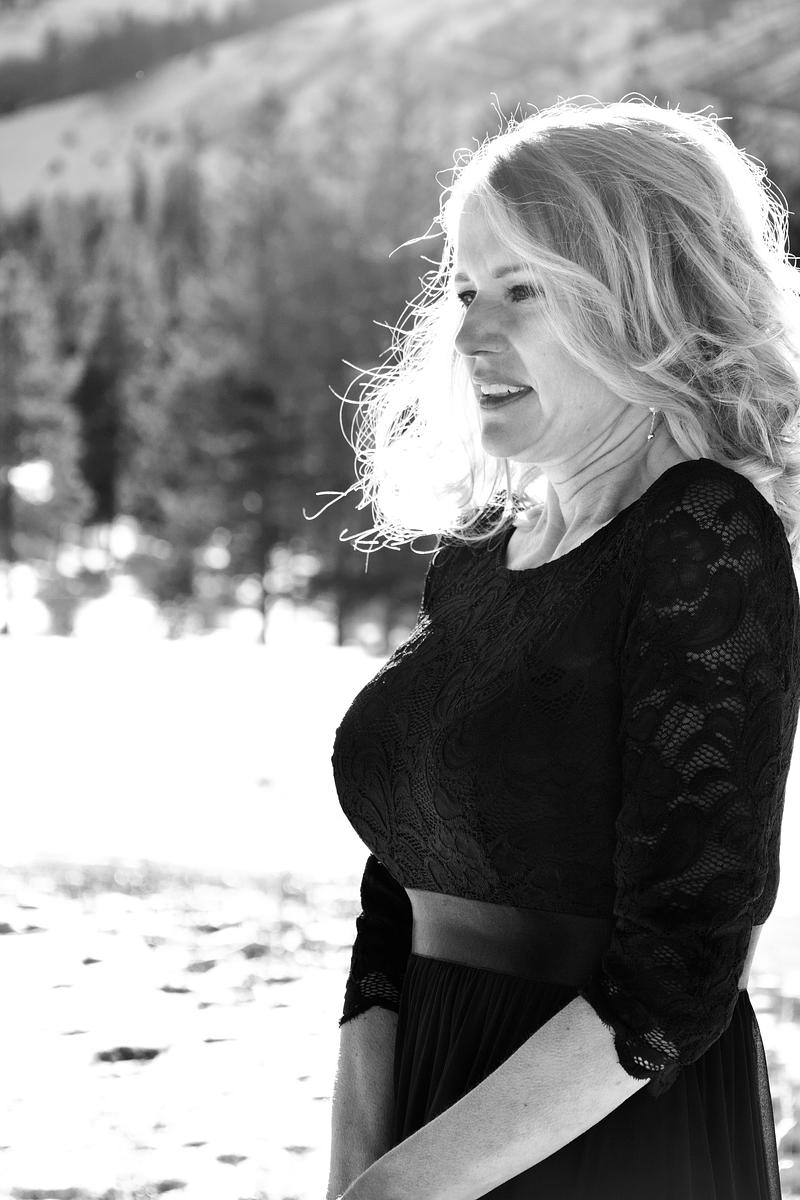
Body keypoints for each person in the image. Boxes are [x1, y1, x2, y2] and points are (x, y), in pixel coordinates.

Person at [325, 97, 800, 1200]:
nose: (469, 335)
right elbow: (394, 898)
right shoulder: (481, 560)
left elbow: (678, 976)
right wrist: (363, 1171)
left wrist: (403, 1189)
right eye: (463, 291)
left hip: (605, 1145)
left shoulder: (701, 541)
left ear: (645, 297)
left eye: (522, 290)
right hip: (433, 1122)